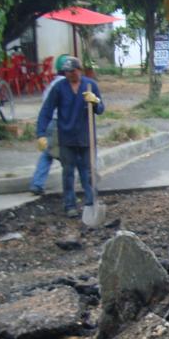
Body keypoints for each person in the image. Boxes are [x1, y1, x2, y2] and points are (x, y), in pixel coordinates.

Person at [36, 57, 104, 218]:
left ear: (79, 70)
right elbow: (46, 110)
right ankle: (70, 205)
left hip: (86, 136)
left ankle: (91, 203)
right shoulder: (59, 88)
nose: (70, 75)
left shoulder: (90, 85)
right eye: (67, 72)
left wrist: (95, 102)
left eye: (72, 71)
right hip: (66, 137)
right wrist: (41, 133)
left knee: (88, 172)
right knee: (67, 173)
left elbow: (100, 109)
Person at [29, 54, 70, 195]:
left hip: (49, 124)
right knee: (66, 156)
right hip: (62, 124)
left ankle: (37, 183)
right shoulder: (67, 84)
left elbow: (45, 108)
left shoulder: (51, 85)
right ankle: (70, 187)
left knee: (48, 154)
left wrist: (40, 132)